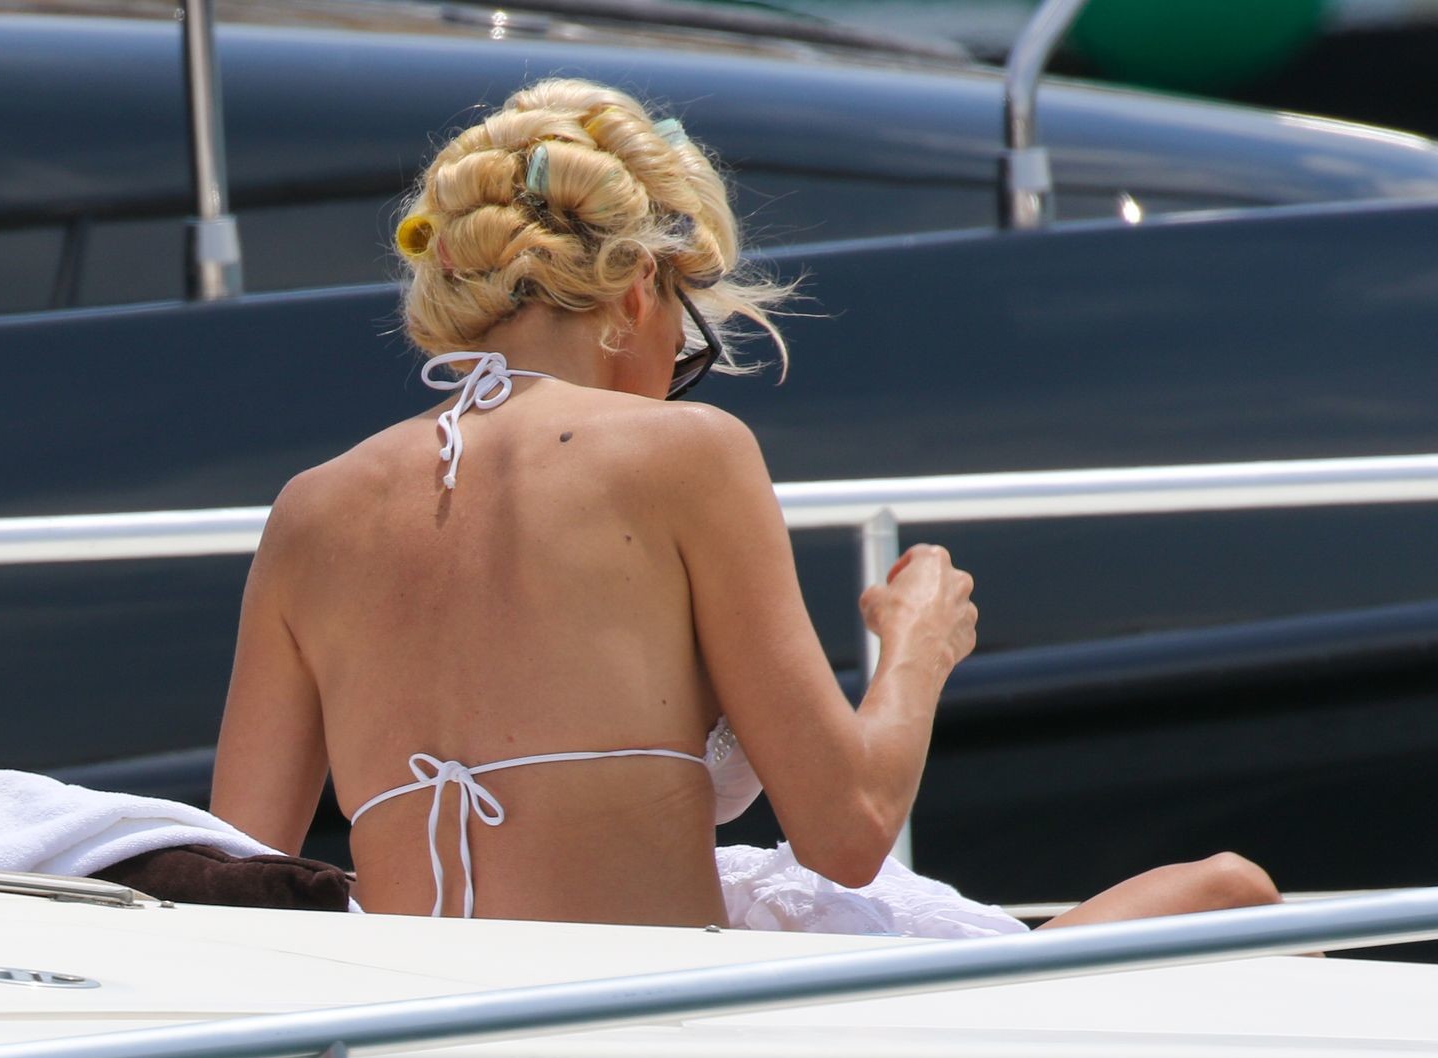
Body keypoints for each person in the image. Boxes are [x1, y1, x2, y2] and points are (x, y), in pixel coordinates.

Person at [210, 79, 1281, 933]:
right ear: (640, 290)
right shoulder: (684, 454)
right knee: (1231, 892)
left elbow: (230, 882)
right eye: (690, 343)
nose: (680, 372)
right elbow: (848, 833)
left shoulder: (312, 511)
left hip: (413, 1041)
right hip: (660, 1029)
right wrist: (917, 648)